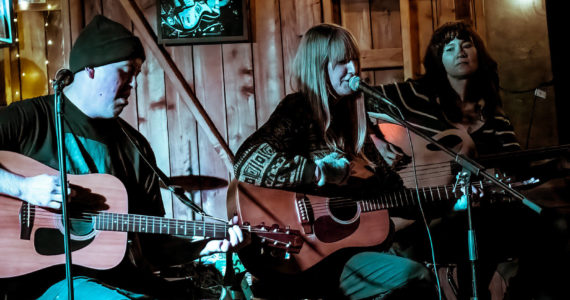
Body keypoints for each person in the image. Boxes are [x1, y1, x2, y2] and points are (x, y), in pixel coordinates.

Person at [0, 15, 244, 299]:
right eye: (127, 71)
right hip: (41, 282)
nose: (133, 85)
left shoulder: (135, 147)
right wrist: (23, 188)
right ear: (90, 69)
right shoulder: (29, 119)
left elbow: (153, 245)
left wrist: (205, 244)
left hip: (119, 279)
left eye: (137, 75)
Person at [233, 23, 437, 300]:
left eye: (355, 60)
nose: (354, 69)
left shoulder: (354, 122)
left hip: (348, 254)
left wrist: (454, 199)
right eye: (342, 61)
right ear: (319, 66)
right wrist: (318, 172)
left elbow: (394, 195)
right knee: (416, 276)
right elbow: (246, 163)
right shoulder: (298, 110)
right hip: (303, 255)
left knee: (418, 266)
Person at [368, 21, 569, 300]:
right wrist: (377, 143)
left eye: (466, 45)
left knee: (554, 226)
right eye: (449, 48)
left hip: (478, 217)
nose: (460, 52)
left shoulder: (495, 117)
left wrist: (554, 167)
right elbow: (357, 100)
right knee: (485, 231)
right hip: (426, 217)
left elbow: (517, 171)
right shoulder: (415, 95)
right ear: (438, 60)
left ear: (479, 54)